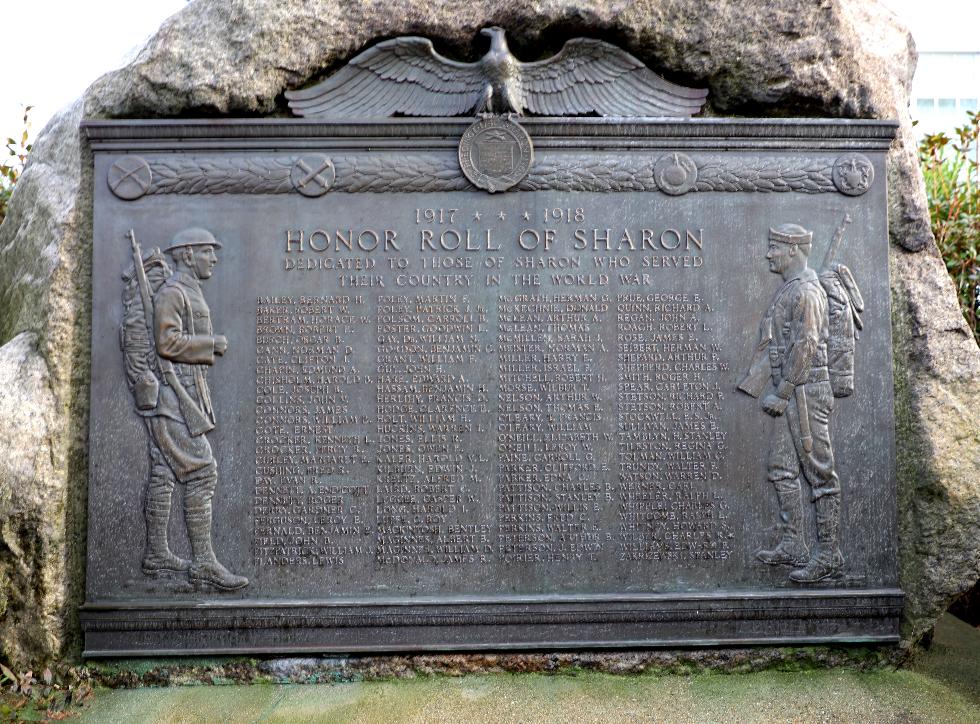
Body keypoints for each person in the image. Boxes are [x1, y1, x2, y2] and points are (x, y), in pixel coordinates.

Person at [139, 227, 248, 591]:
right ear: (186, 254)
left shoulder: (189, 290)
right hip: (173, 398)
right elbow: (166, 341)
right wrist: (210, 344)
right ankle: (203, 562)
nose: (214, 258)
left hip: (184, 394)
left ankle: (156, 554)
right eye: (207, 251)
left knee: (163, 473)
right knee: (202, 472)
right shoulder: (173, 292)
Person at [739, 223, 843, 584]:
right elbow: (778, 342)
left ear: (794, 250)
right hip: (792, 391)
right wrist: (755, 385)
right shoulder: (790, 291)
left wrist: (782, 391)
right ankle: (793, 544)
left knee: (819, 470)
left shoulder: (808, 294)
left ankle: (829, 553)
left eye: (774, 248)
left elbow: (806, 344)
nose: (769, 254)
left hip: (806, 392)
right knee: (782, 467)